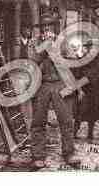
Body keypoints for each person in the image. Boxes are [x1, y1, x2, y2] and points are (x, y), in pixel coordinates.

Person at [29, 13, 82, 169]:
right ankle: (38, 155)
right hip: (42, 85)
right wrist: (44, 46)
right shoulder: (35, 43)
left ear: (54, 27)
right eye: (44, 26)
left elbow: (71, 61)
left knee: (66, 121)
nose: (46, 29)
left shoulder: (63, 42)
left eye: (49, 26)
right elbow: (32, 60)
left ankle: (69, 153)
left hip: (61, 83)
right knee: (38, 121)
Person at [73, 40, 99, 143]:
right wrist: (79, 90)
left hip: (96, 90)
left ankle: (90, 134)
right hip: (85, 90)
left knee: (93, 113)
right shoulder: (83, 61)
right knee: (80, 112)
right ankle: (74, 133)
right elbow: (77, 75)